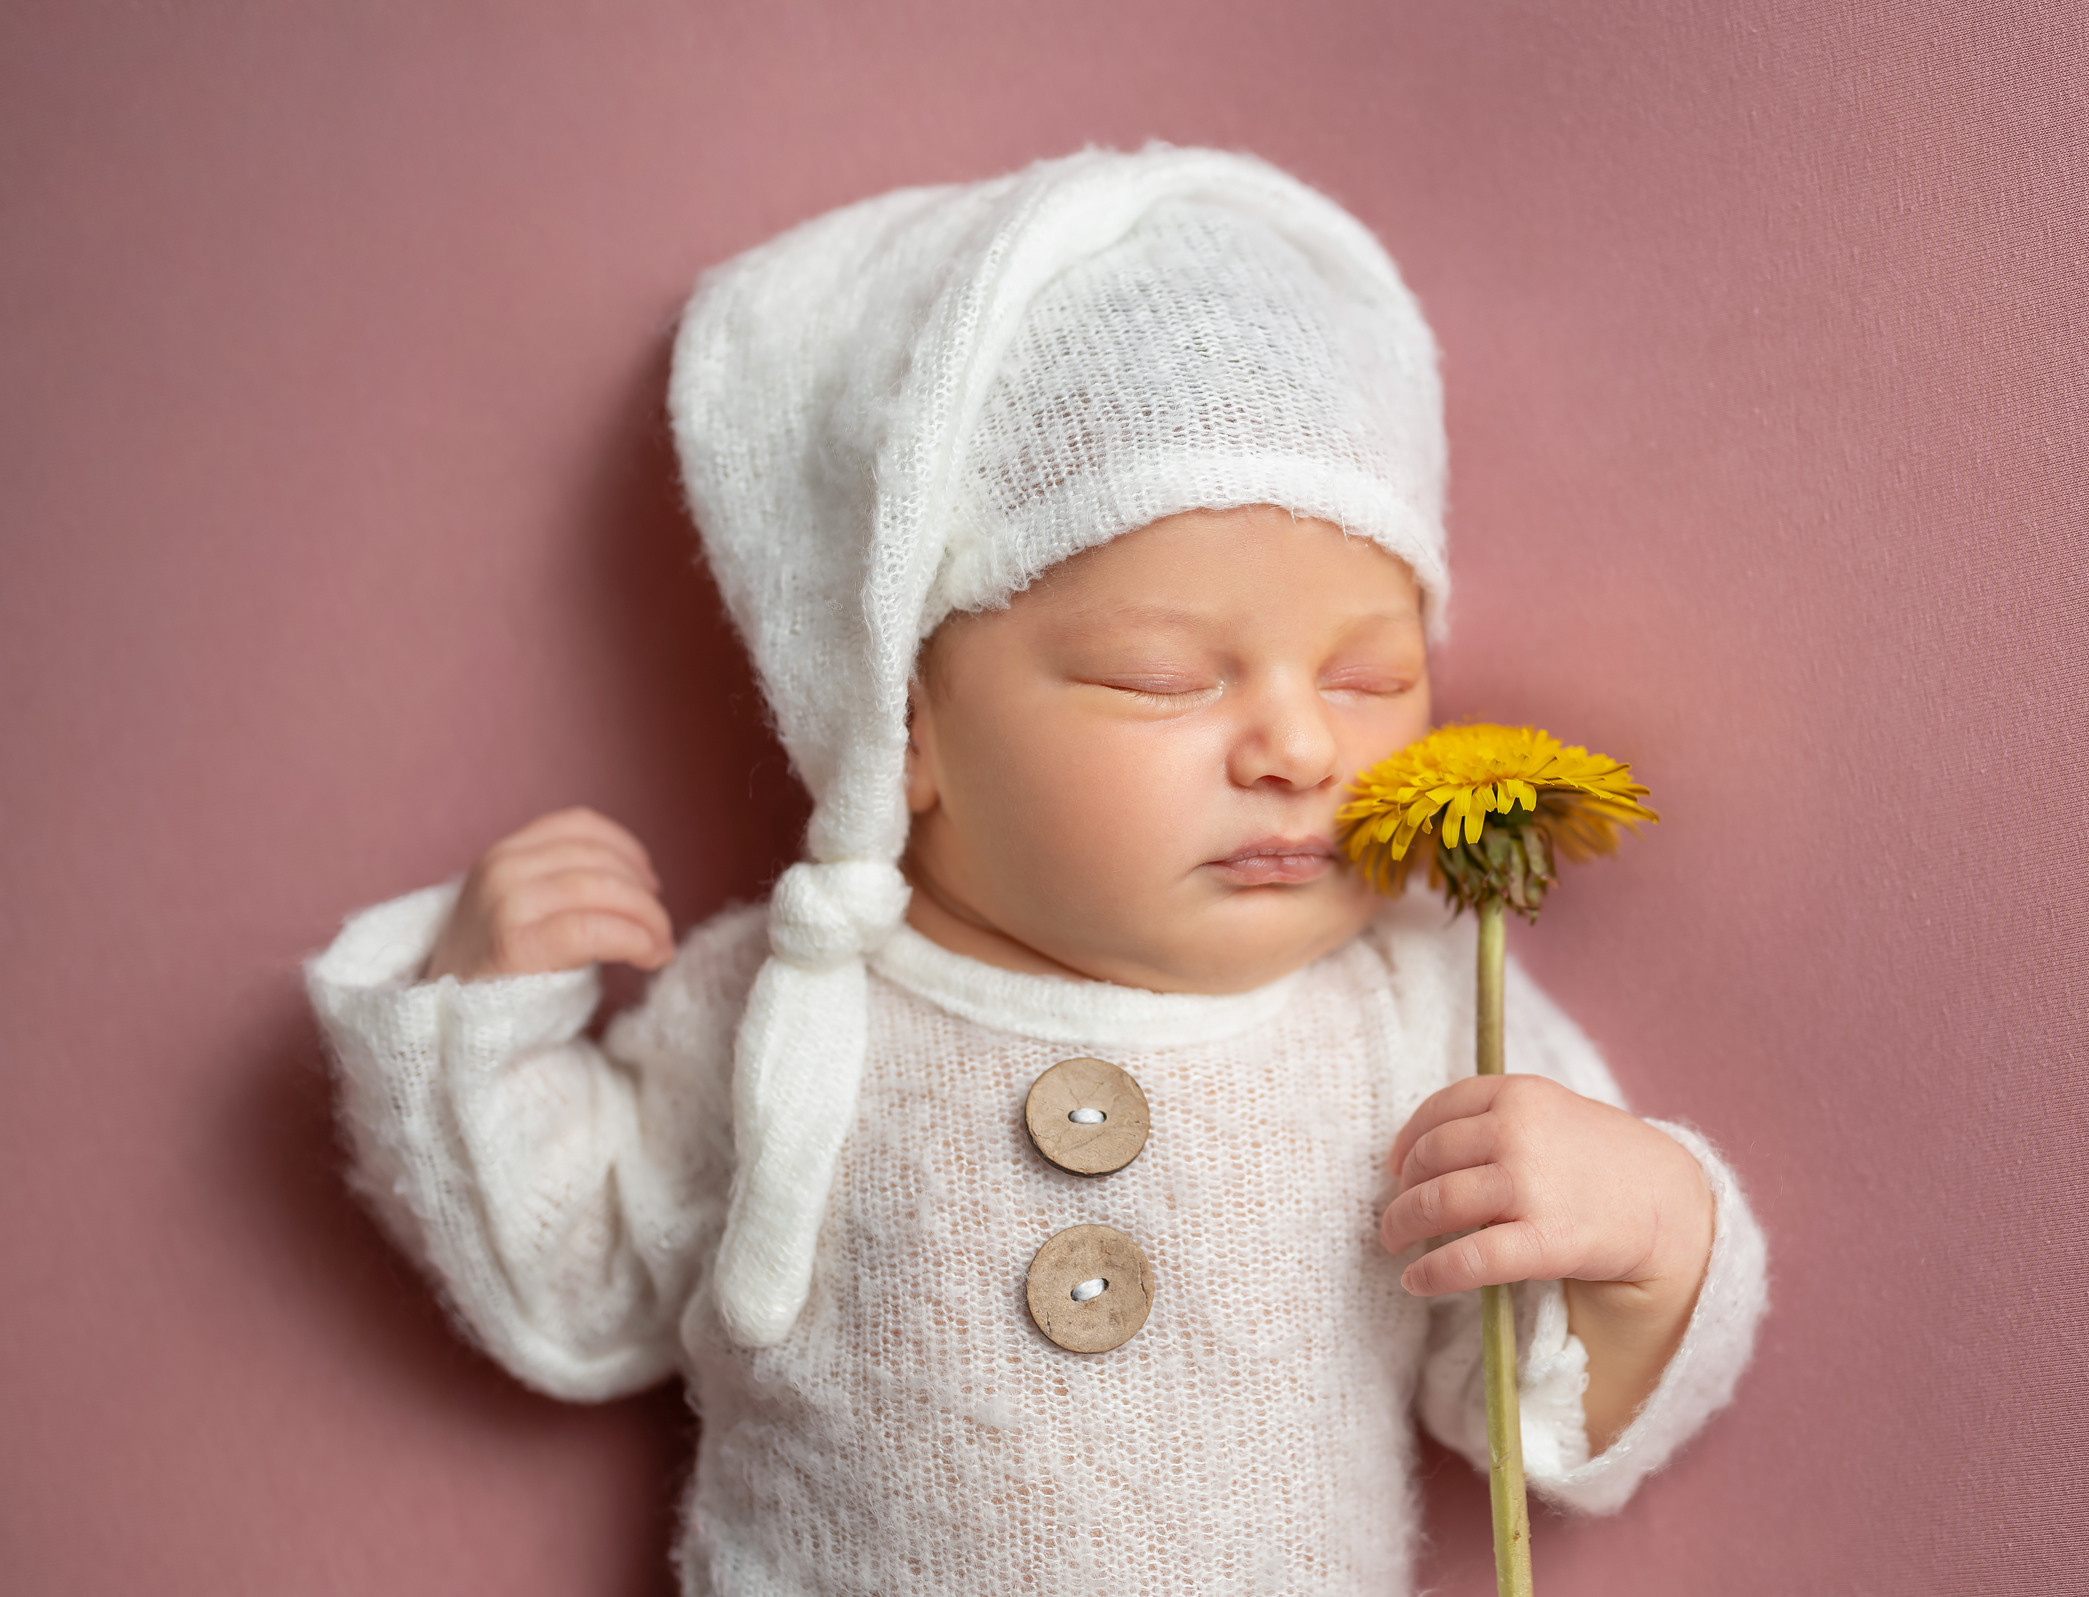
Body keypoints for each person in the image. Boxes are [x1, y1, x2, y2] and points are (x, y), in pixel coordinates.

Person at [304, 144, 1768, 1596]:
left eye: (1372, 675)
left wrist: (1651, 1237)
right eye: (1162, 677)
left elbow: (1531, 1409)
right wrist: (477, 1022)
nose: (1302, 745)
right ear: (904, 727)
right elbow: (577, 1293)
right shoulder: (782, 1003)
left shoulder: (1421, 1012)